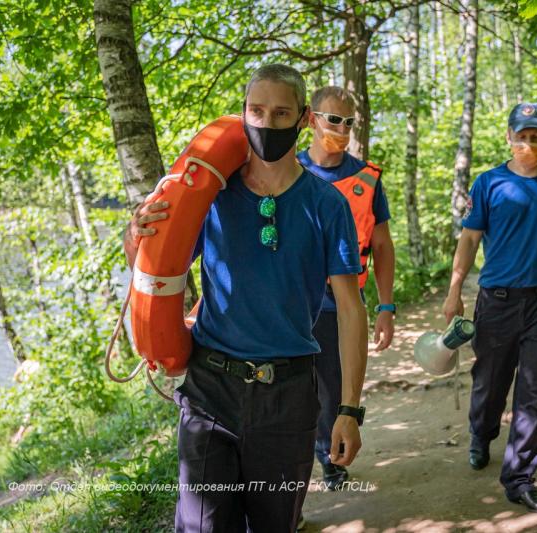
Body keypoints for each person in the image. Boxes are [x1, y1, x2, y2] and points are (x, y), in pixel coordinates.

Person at [123, 64, 369, 533]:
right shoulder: (209, 195)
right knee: (201, 527)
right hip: (210, 389)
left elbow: (351, 312)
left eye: (281, 114)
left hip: (288, 395)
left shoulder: (327, 205)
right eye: (257, 111)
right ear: (243, 114)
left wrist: (349, 409)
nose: (267, 124)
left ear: (302, 121)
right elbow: (153, 264)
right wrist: (135, 232)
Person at [443, 103, 537, 513]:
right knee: (490, 385)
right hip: (497, 301)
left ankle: (520, 478)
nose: (528, 143)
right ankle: (481, 432)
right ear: (509, 136)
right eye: (521, 135)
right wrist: (455, 290)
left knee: (534, 393)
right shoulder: (488, 183)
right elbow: (470, 241)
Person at [296, 86, 396, 491]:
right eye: (333, 119)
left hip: (342, 304)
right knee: (296, 393)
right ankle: (295, 468)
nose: (341, 128)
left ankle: (329, 456)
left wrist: (386, 306)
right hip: (294, 303)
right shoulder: (288, 170)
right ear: (310, 119)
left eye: (348, 122)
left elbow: (384, 245)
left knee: (334, 392)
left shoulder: (367, 178)